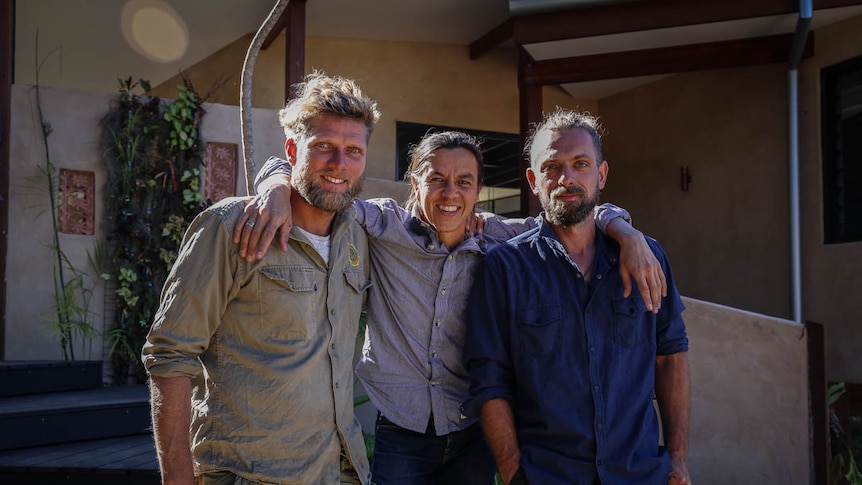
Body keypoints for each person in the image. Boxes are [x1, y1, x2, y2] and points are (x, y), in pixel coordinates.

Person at [236, 127, 667, 484]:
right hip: (401, 429)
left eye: (464, 181)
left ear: (479, 190)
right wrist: (276, 187)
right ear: (414, 181)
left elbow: (574, 211)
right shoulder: (381, 226)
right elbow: (319, 180)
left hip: (472, 429)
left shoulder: (501, 239)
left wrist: (625, 232)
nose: (450, 193)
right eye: (436, 179)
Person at [141, 72, 380, 485]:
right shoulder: (230, 226)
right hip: (247, 473)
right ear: (293, 149)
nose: (339, 164)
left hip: (337, 471)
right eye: (323, 146)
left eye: (353, 151)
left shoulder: (359, 235)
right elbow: (170, 353)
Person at [463, 108, 691, 485]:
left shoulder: (646, 257)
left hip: (639, 473)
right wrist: (512, 469)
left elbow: (671, 356)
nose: (566, 179)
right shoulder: (504, 267)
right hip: (546, 475)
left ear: (601, 174)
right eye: (552, 167)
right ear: (534, 181)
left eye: (580, 164)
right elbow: (489, 379)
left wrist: (678, 459)